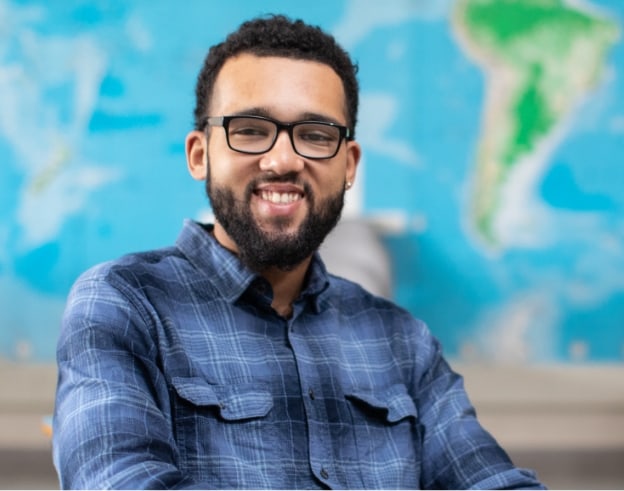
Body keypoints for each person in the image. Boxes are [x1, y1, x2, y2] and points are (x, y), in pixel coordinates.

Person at [52, 14, 545, 490]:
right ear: (200, 155)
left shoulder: (403, 344)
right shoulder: (125, 306)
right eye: (250, 130)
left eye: (315, 135)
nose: (283, 160)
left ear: (348, 164)